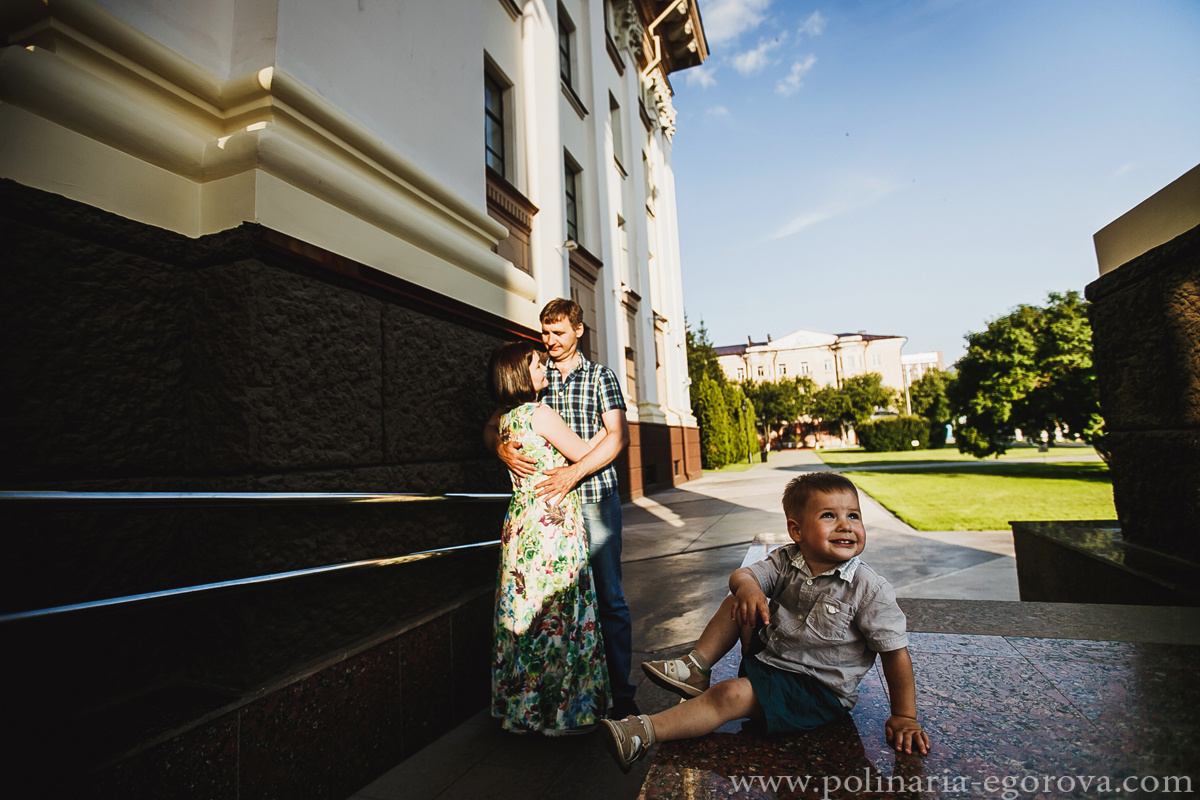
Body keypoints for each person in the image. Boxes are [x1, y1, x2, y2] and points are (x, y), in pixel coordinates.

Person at [600, 472, 930, 772]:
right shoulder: (788, 559)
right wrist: (748, 588)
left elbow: (895, 653)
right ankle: (695, 667)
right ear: (796, 530)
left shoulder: (868, 588)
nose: (845, 525)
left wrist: (904, 716)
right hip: (773, 658)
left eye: (853, 516)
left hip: (815, 691)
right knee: (739, 596)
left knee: (728, 694)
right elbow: (743, 574)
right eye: (829, 516)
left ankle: (641, 731)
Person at [484, 298, 638, 718]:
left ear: (578, 331)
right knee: (559, 607)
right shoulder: (532, 374)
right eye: (545, 333)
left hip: (594, 501)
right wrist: (501, 449)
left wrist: (574, 474)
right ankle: (572, 693)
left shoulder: (600, 376)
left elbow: (616, 437)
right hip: (549, 516)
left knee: (607, 599)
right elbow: (495, 422)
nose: (549, 341)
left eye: (558, 332)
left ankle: (620, 693)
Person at [487, 340, 609, 735]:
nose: (544, 369)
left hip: (521, 526)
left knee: (524, 614)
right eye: (537, 365)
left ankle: (523, 713)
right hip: (552, 527)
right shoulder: (540, 413)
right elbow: (579, 453)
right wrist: (609, 433)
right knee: (559, 614)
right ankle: (561, 713)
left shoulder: (507, 420)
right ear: (521, 374)